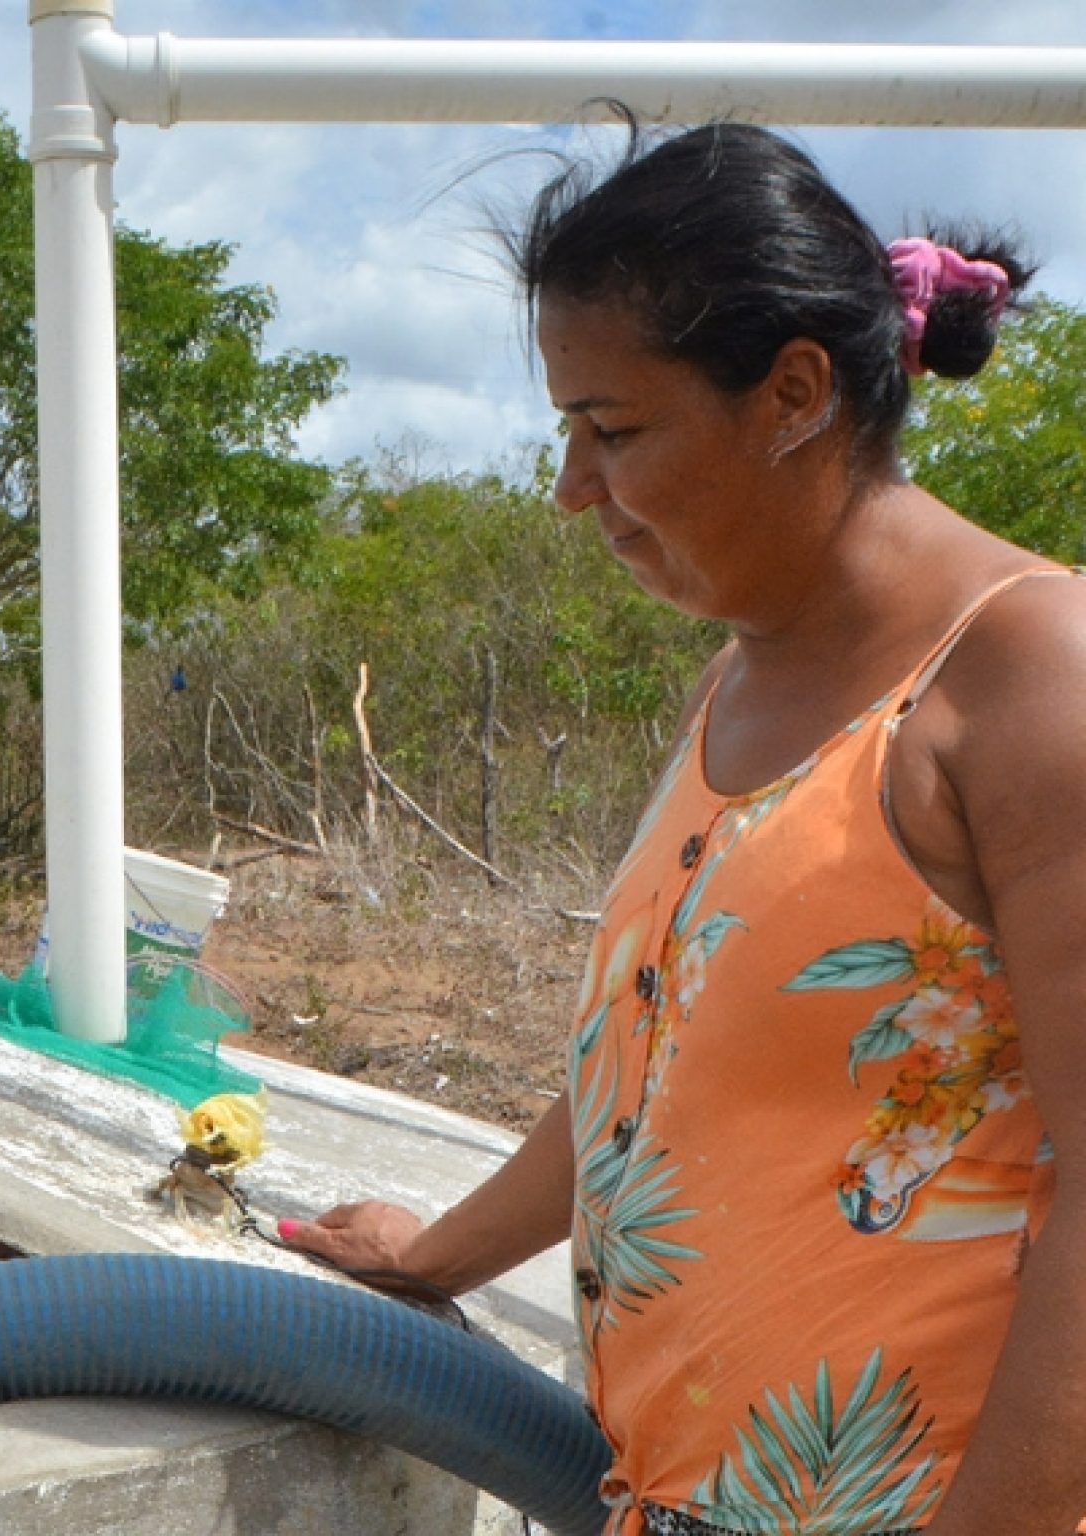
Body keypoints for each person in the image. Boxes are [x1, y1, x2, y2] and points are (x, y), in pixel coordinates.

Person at [278, 120, 1086, 1536]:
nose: (572, 489)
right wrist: (441, 1252)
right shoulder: (743, 673)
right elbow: (653, 1064)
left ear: (789, 394)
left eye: (616, 429)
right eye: (565, 429)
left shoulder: (1028, 678)